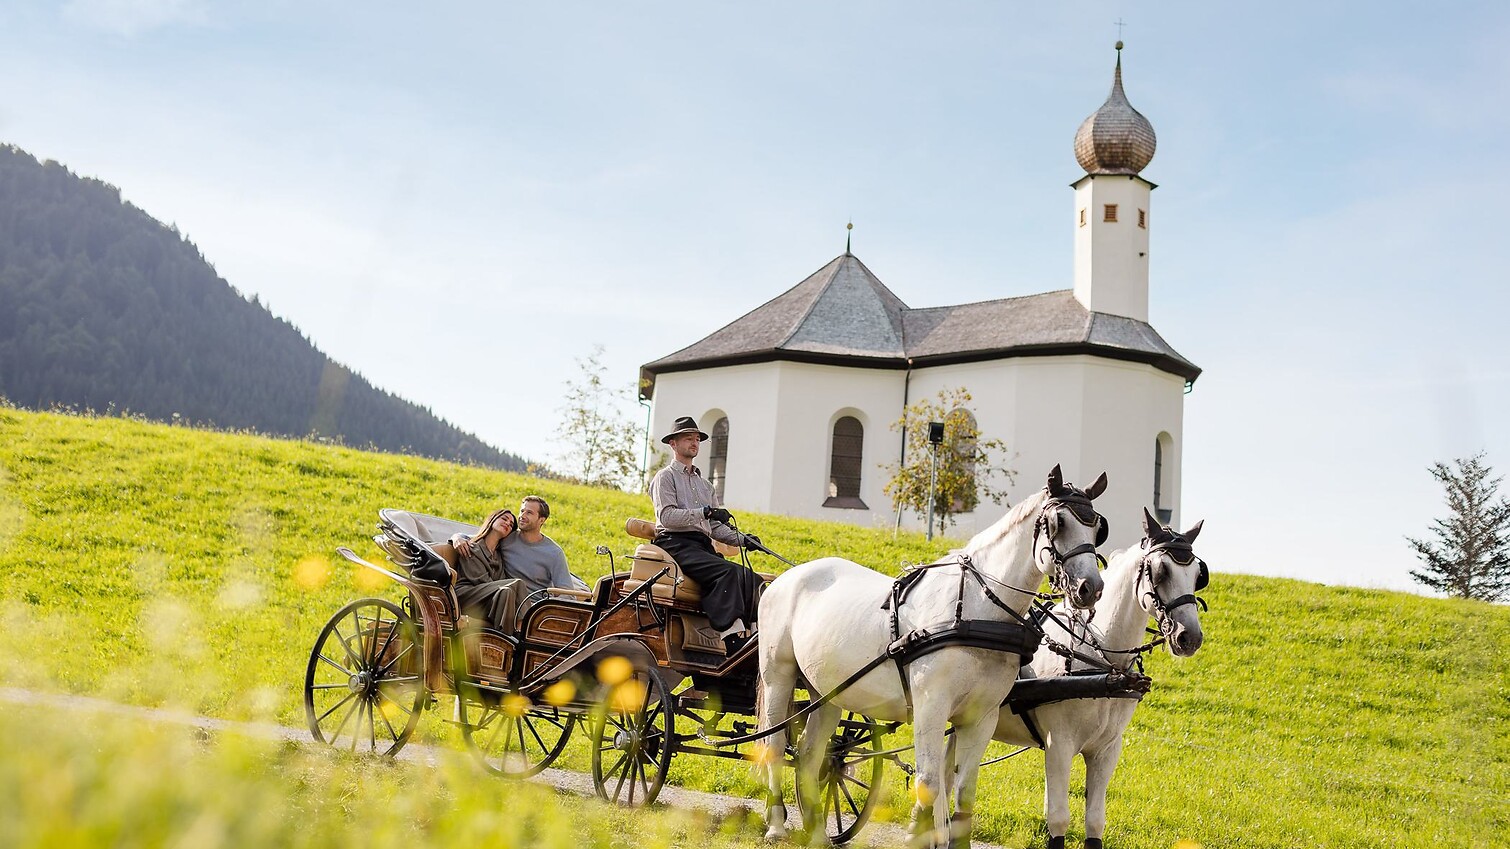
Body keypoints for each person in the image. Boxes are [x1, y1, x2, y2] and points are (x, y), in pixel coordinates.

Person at [649, 415, 764, 654]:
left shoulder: (706, 486)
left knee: (751, 578)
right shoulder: (665, 477)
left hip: (701, 545)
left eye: (697, 439)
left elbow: (714, 527)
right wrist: (704, 511)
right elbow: (667, 517)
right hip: (675, 544)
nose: (694, 443)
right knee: (727, 572)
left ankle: (754, 634)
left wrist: (744, 540)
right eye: (688, 438)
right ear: (673, 444)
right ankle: (732, 640)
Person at [453, 495, 576, 630]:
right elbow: (479, 538)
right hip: (505, 598)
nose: (522, 516)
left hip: (533, 607)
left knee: (509, 590)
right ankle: (518, 630)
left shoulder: (553, 552)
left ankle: (515, 631)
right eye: (522, 511)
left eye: (529, 513)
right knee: (514, 586)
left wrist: (548, 613)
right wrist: (456, 537)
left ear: (541, 520)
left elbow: (567, 593)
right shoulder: (507, 538)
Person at [448, 508, 526, 632]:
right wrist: (456, 537)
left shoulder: (499, 557)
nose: (507, 523)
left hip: (486, 598)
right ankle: (523, 628)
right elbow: (479, 580)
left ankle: (505, 638)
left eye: (511, 525)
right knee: (517, 583)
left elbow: (499, 585)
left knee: (506, 592)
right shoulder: (471, 547)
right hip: (466, 596)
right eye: (504, 519)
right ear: (492, 520)